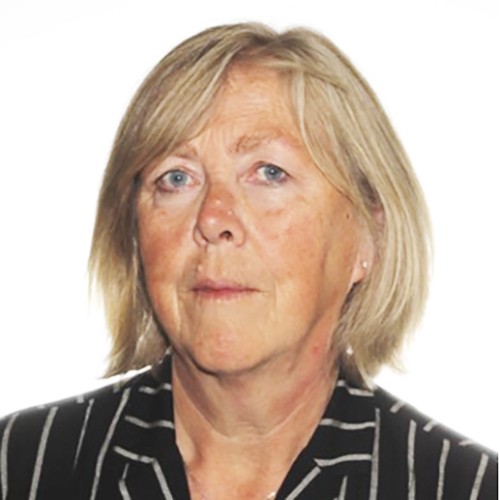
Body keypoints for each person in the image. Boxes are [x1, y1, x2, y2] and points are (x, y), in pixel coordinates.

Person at [0, 22, 497, 500]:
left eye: (269, 172)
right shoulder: (18, 466)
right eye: (176, 178)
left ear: (369, 238)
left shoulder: (467, 488)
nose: (213, 218)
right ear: (133, 234)